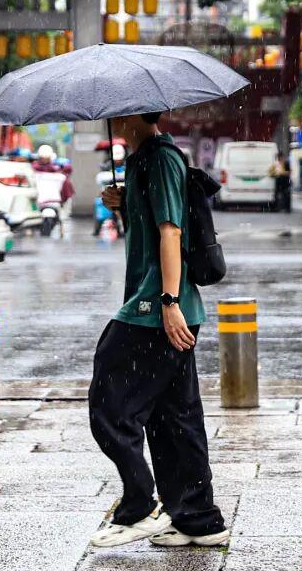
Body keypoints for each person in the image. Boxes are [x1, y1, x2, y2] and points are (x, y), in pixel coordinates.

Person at [90, 110, 228, 548]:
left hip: (157, 307)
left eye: (118, 111)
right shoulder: (140, 160)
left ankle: (139, 506)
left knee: (110, 402)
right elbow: (151, 221)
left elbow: (171, 232)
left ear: (133, 114)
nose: (111, 116)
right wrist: (125, 200)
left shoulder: (162, 158)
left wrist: (169, 304)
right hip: (161, 305)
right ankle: (198, 518)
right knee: (175, 418)